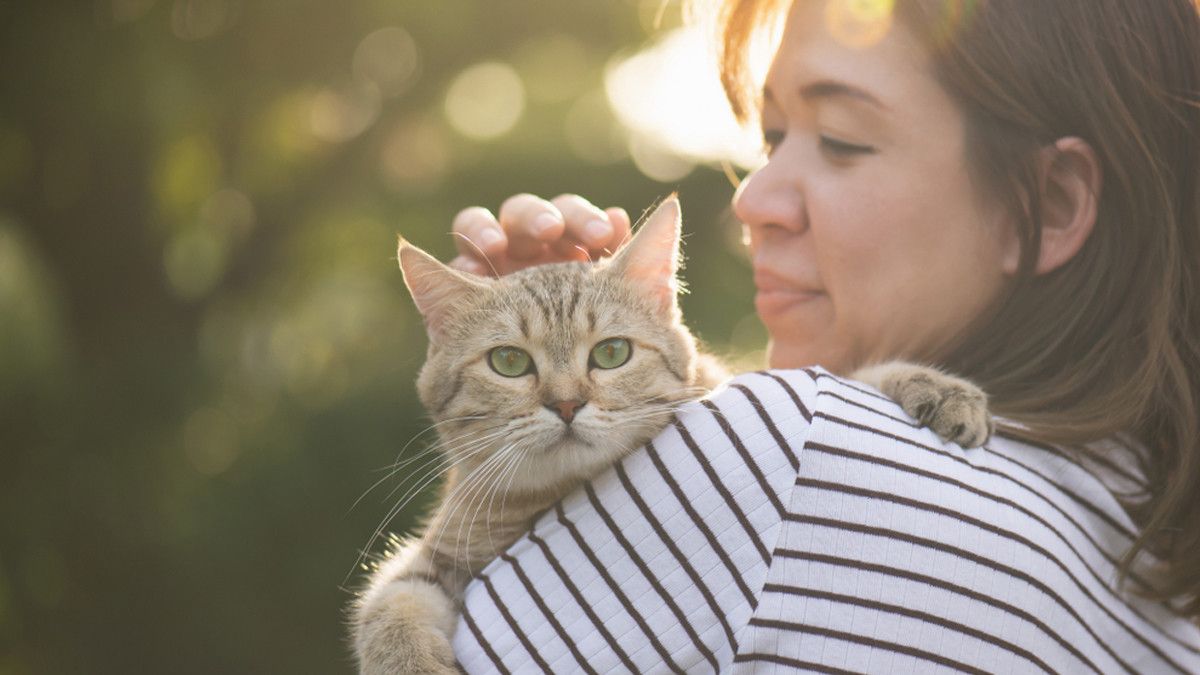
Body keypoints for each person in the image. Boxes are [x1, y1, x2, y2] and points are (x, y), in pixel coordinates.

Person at [442, 0, 1200, 671]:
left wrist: (493, 430)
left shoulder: (795, 459)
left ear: (1053, 201)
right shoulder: (1167, 599)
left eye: (841, 138)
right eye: (772, 136)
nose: (754, 200)